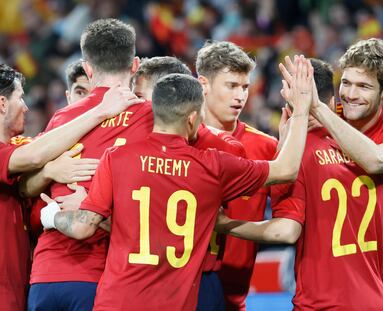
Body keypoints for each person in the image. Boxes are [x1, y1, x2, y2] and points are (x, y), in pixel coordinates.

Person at [39, 69, 312, 311]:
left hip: (116, 302)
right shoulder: (212, 166)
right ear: (193, 118)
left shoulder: (117, 157)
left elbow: (83, 227)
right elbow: (285, 169)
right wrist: (300, 110)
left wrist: (51, 216)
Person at [219, 56, 383, 310]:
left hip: (321, 302)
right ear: (333, 101)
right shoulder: (367, 151)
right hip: (374, 299)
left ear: (288, 101)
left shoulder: (293, 158)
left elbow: (286, 231)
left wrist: (223, 224)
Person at [26, 18, 155, 311]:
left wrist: (48, 173)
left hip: (46, 274)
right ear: (135, 65)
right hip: (106, 275)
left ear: (87, 68)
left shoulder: (60, 119)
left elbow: (27, 187)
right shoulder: (152, 120)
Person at [0, 62, 139, 311]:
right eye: (21, 98)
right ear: (2, 104)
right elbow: (32, 158)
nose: (26, 107)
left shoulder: (30, 148)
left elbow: (24, 185)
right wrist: (100, 111)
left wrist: (47, 173)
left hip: (30, 284)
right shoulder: (32, 152)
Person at [294, 39, 383, 310]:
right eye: (346, 83)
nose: (349, 94)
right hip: (333, 292)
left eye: (363, 86)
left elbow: (378, 160)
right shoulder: (322, 118)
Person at [195, 40, 278, 311]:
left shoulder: (266, 146)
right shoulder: (178, 140)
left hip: (235, 296)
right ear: (203, 84)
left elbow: (296, 216)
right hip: (179, 290)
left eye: (244, 87)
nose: (241, 96)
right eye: (231, 86)